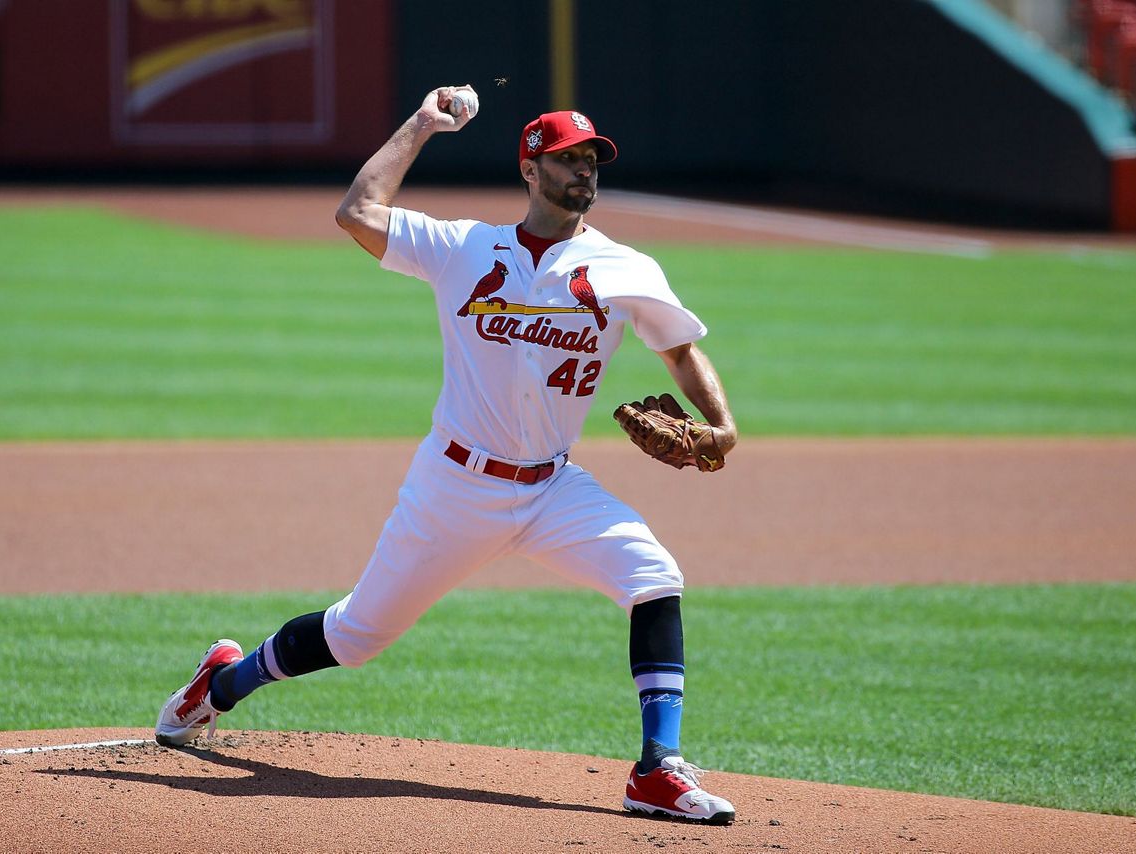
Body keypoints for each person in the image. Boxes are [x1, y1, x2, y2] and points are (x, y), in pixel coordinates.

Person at [155, 85, 739, 825]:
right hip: (454, 486)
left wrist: (724, 426)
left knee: (654, 575)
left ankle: (657, 770)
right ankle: (220, 685)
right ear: (529, 169)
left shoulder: (627, 268)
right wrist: (423, 124)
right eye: (567, 158)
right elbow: (356, 214)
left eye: (592, 158)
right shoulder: (464, 247)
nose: (584, 170)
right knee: (355, 635)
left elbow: (681, 352)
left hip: (555, 487)